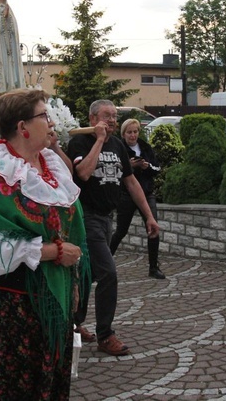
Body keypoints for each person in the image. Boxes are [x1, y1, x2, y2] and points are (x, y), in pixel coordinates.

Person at [0, 89, 89, 399]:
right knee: (18, 384)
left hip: (55, 297)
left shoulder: (51, 166)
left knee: (50, 380)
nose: (51, 121)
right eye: (43, 115)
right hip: (16, 305)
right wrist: (54, 253)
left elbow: (69, 229)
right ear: (22, 127)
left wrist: (74, 279)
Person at [66, 99, 159, 356]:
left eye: (114, 117)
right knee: (108, 273)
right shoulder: (79, 142)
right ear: (93, 118)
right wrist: (98, 140)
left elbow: (131, 183)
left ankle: (74, 324)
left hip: (107, 219)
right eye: (107, 116)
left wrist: (149, 216)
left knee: (88, 274)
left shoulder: (118, 145)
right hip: (86, 218)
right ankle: (105, 334)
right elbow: (83, 173)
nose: (112, 121)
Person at [109, 118, 166, 279]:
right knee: (121, 230)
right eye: (129, 132)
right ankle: (104, 263)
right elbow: (115, 170)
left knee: (153, 227)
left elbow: (157, 168)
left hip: (147, 193)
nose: (133, 135)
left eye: (135, 132)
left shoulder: (146, 148)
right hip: (126, 194)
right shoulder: (119, 148)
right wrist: (130, 166)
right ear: (124, 134)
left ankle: (154, 267)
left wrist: (146, 166)